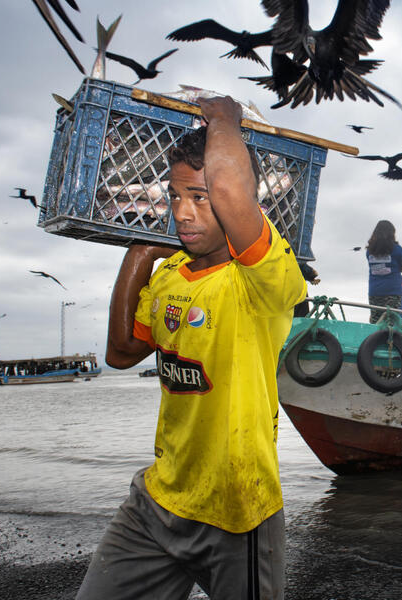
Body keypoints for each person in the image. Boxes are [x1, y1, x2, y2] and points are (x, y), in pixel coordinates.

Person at [79, 96, 306, 600]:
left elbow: (230, 186)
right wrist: (142, 251)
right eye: (175, 196)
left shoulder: (266, 278)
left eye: (200, 198)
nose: (182, 212)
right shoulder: (170, 279)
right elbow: (120, 353)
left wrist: (225, 119)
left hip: (236, 511)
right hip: (157, 501)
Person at [366, 219, 402, 324]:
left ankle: (375, 340)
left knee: (376, 322)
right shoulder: (397, 249)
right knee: (390, 322)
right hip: (392, 291)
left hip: (374, 291)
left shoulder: (369, 251)